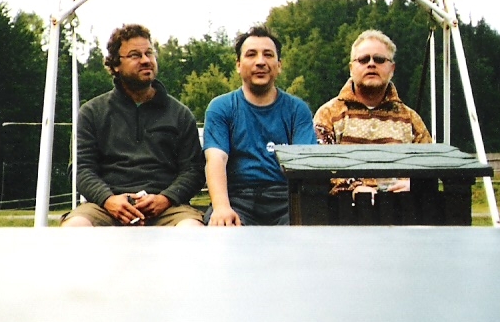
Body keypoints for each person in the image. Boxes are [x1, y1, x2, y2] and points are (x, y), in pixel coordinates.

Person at [60, 23, 205, 227]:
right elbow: (82, 169)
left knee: (192, 229)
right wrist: (108, 200)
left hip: (167, 209)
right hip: (106, 208)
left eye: (149, 53)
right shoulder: (92, 112)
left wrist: (166, 198)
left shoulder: (180, 114)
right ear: (115, 65)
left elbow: (193, 170)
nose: (146, 60)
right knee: (75, 227)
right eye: (135, 55)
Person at [202, 25, 317, 226]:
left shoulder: (297, 110)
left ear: (279, 65)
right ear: (238, 65)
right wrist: (221, 207)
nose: (261, 62)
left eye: (268, 55)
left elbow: (304, 165)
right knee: (222, 229)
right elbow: (216, 158)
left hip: (286, 199)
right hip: (237, 199)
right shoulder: (221, 107)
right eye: (251, 54)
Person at [313, 29, 432, 195]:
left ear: (392, 68)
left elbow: (430, 167)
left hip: (400, 206)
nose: (371, 64)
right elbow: (320, 166)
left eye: (379, 59)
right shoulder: (328, 114)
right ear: (351, 68)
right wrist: (354, 187)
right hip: (345, 207)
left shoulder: (411, 119)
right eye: (363, 59)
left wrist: (414, 184)